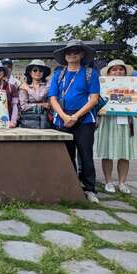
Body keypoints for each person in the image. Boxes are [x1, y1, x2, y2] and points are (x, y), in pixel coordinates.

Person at [48, 39, 100, 203]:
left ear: (82, 54)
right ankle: (68, 185)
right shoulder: (58, 74)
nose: (72, 54)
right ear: (64, 55)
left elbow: (94, 99)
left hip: (84, 119)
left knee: (86, 154)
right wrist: (64, 116)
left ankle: (90, 188)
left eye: (76, 51)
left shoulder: (90, 73)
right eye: (69, 52)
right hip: (62, 117)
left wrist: (76, 116)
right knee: (66, 153)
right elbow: (53, 98)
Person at [96, 59, 137, 194]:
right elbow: (95, 102)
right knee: (107, 152)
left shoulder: (133, 86)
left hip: (126, 120)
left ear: (125, 72)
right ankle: (108, 182)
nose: (118, 72)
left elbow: (136, 104)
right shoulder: (101, 85)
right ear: (108, 72)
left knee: (125, 153)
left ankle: (122, 182)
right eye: (114, 69)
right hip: (107, 120)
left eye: (121, 69)